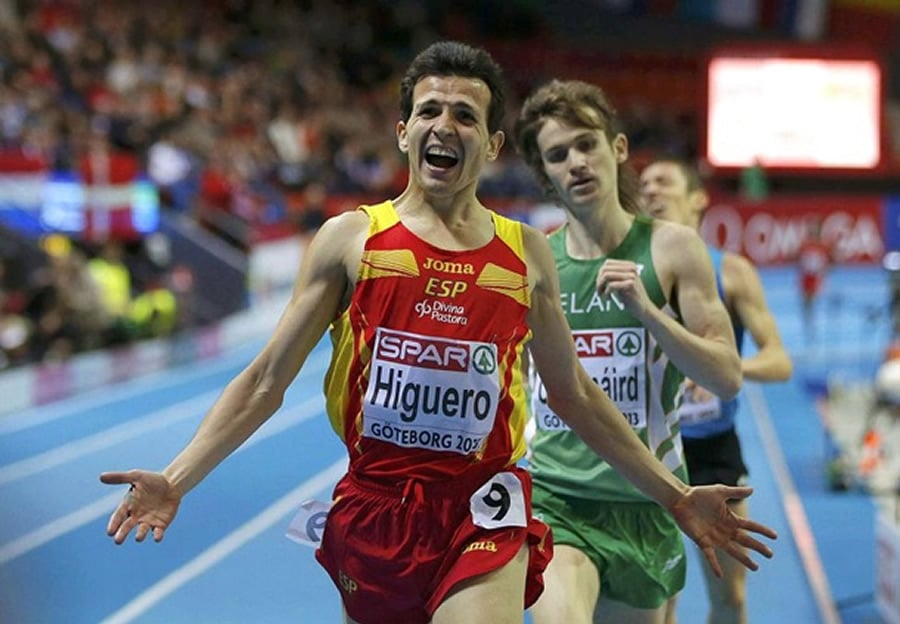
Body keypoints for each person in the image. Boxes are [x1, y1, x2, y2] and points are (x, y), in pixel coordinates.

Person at [99, 42, 776, 624]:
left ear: (492, 144)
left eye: (465, 115)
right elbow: (266, 380)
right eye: (429, 110)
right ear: (403, 132)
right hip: (375, 509)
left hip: (483, 508)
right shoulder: (350, 240)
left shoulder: (524, 255)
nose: (444, 125)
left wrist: (674, 492)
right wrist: (177, 479)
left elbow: (575, 397)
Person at [514, 79, 749, 624]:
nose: (575, 162)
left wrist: (649, 313)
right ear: (546, 176)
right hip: (558, 500)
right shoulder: (534, 260)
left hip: (649, 501)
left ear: (617, 149)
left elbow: (727, 376)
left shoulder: (672, 248)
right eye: (557, 155)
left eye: (586, 144)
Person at [640, 157, 793, 624]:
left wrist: (720, 368)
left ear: (698, 199)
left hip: (714, 457)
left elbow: (779, 361)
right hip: (649, 457)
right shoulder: (627, 272)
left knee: (730, 600)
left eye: (662, 181)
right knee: (654, 602)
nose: (649, 191)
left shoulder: (732, 272)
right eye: (642, 184)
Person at [796, 218, 830, 343]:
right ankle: (808, 326)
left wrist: (824, 277)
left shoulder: (823, 246)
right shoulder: (804, 245)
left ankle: (817, 327)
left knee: (816, 302)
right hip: (806, 278)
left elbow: (827, 263)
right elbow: (799, 262)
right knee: (806, 304)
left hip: (816, 278)